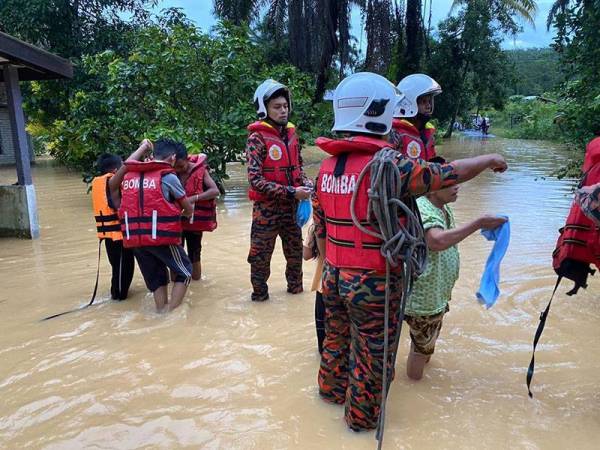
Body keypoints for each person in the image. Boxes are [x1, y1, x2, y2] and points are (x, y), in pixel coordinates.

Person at [313, 72, 507, 432]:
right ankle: (359, 426)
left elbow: (321, 229)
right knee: (373, 358)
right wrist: (488, 159)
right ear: (381, 112)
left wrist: (330, 271)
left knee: (336, 344)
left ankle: (329, 397)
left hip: (334, 278)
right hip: (373, 282)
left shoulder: (326, 168)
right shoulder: (389, 165)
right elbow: (445, 174)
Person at [404, 183, 507, 380]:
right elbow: (436, 241)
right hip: (424, 299)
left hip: (435, 294)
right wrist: (478, 223)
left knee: (425, 343)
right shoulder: (423, 208)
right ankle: (415, 385)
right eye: (450, 183)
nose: (457, 187)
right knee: (420, 349)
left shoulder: (442, 206)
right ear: (432, 188)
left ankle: (420, 370)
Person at [246, 79, 313, 302]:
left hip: (291, 210)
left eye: (285, 106)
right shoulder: (256, 138)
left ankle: (296, 297)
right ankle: (259, 299)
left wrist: (306, 184)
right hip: (266, 211)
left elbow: (299, 168)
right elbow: (255, 180)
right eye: (277, 107)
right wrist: (291, 192)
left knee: (295, 258)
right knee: (260, 259)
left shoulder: (292, 134)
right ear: (264, 109)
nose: (283, 110)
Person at [119, 138, 194, 312]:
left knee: (156, 278)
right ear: (173, 158)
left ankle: (160, 311)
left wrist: (142, 147)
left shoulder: (130, 176)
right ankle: (172, 313)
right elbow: (188, 209)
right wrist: (179, 214)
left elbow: (126, 168)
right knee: (185, 272)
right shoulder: (168, 176)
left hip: (136, 239)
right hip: (160, 237)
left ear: (153, 155)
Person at [91, 147, 147, 301]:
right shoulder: (111, 182)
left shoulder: (98, 183)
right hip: (118, 237)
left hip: (111, 237)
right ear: (116, 170)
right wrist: (143, 148)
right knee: (123, 272)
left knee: (119, 269)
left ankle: (116, 296)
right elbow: (127, 166)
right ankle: (118, 300)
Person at [173, 148, 220, 280]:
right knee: (175, 253)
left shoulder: (200, 170)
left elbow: (215, 191)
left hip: (194, 221)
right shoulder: (170, 171)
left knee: (194, 252)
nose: (178, 169)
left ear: (187, 160)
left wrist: (193, 198)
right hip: (176, 220)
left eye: (181, 166)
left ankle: (196, 284)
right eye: (175, 167)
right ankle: (176, 283)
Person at [389, 73, 441, 161]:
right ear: (409, 104)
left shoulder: (428, 132)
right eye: (424, 102)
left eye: (429, 101)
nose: (428, 106)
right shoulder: (395, 133)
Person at [302, 220, 325, 354]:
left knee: (327, 350)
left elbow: (306, 255)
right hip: (364, 285)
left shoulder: (318, 218)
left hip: (326, 284)